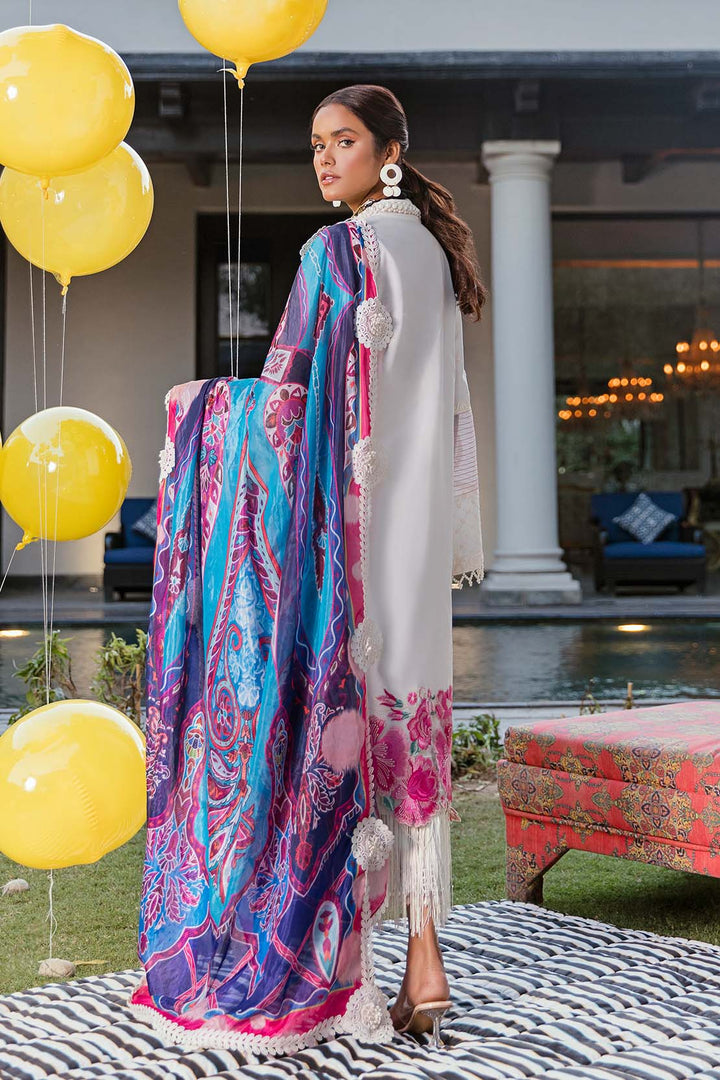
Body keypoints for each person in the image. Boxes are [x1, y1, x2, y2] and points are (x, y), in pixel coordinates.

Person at [128, 83, 486, 1056]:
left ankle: (335, 967)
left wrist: (196, 407)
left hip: (345, 543)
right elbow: (447, 415)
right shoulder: (434, 254)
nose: (325, 159)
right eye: (318, 143)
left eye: (344, 141)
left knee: (336, 742)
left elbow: (282, 402)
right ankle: (424, 964)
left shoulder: (337, 251)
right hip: (411, 540)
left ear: (389, 153)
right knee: (410, 743)